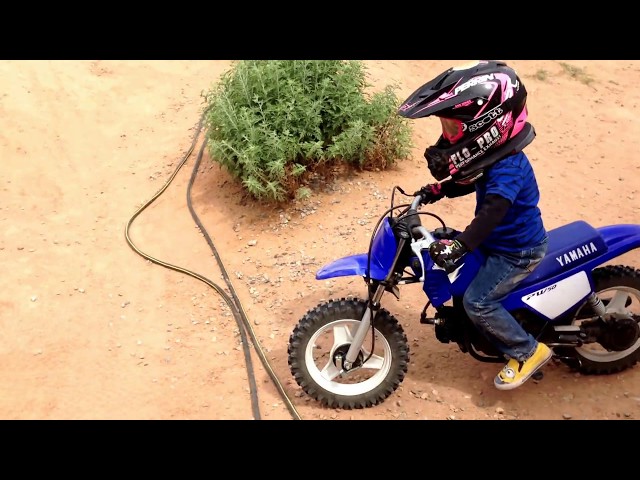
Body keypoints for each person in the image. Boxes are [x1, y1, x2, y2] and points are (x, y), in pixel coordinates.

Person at [397, 60, 551, 390]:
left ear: (487, 127)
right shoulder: (493, 158)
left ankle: (527, 351)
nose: (447, 136)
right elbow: (470, 179)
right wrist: (439, 190)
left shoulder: (508, 168)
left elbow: (491, 213)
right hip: (499, 242)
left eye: (452, 129)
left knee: (478, 302)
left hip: (516, 253)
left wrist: (461, 245)